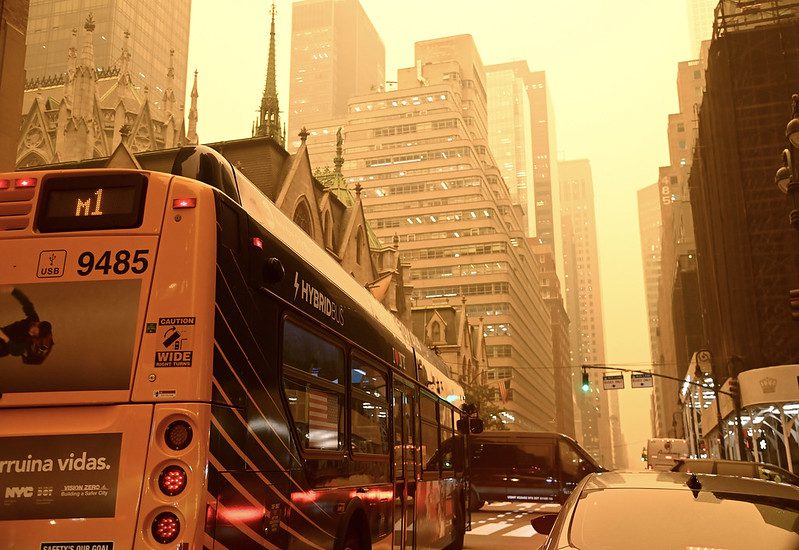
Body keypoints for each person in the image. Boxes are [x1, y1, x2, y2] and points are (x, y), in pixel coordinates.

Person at [0, 287, 53, 365]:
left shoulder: (27, 341)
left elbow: (16, 351)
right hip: (4, 332)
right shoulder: (34, 319)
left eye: (36, 327)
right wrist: (13, 290)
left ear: (37, 333)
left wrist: (4, 337)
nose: (35, 324)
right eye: (37, 324)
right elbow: (27, 304)